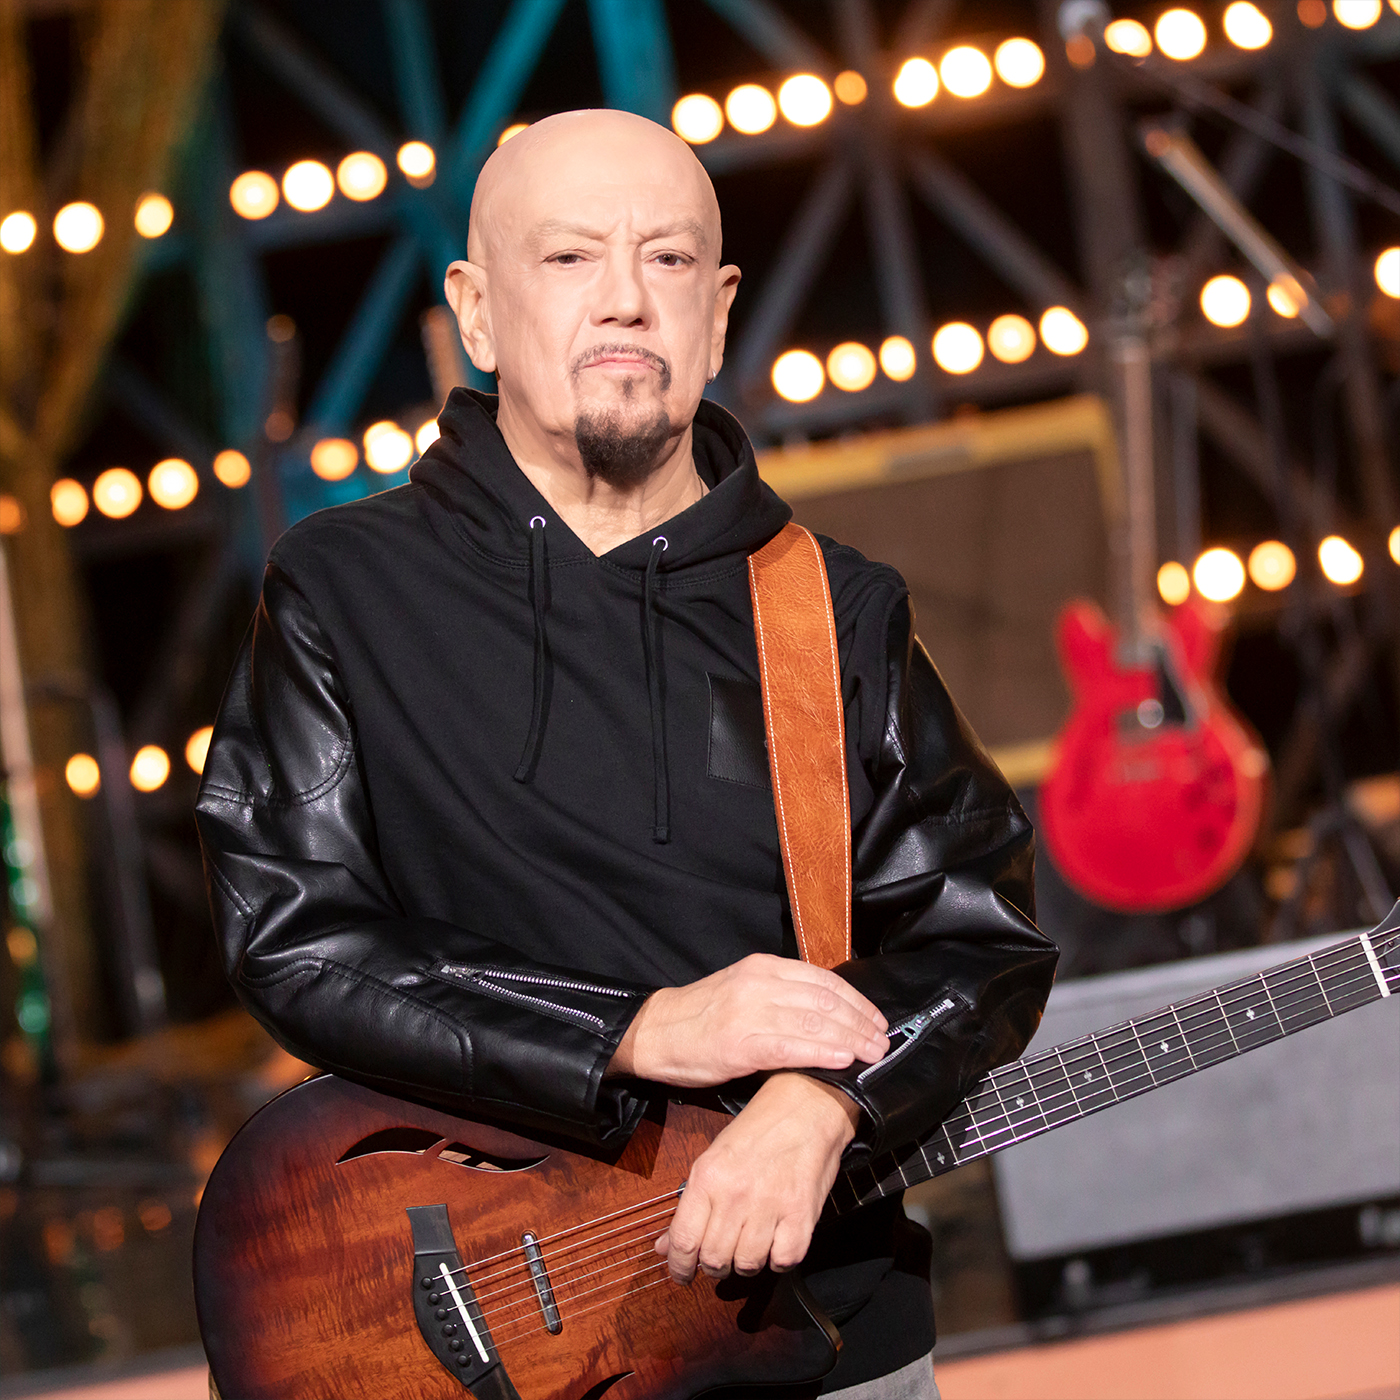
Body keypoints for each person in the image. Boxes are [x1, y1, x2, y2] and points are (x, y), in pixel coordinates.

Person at [194, 109, 1057, 1399]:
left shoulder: (831, 610)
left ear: (717, 313)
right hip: (470, 1339)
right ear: (476, 314)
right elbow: (296, 939)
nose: (624, 300)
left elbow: (979, 943)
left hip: (813, 1338)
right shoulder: (343, 589)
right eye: (568, 258)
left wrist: (830, 1102)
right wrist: (638, 1029)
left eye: (667, 259)